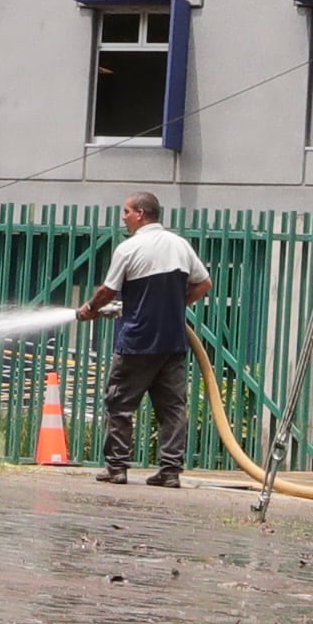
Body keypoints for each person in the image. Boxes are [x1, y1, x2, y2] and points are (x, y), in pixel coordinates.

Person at [77, 192, 212, 488]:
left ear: (140, 213)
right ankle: (170, 471)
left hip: (136, 342)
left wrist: (89, 308)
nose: (123, 217)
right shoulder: (180, 245)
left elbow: (108, 291)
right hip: (172, 343)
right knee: (173, 409)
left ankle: (117, 468)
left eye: (126, 211)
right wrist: (176, 306)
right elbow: (204, 283)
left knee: (120, 404)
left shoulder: (129, 248)